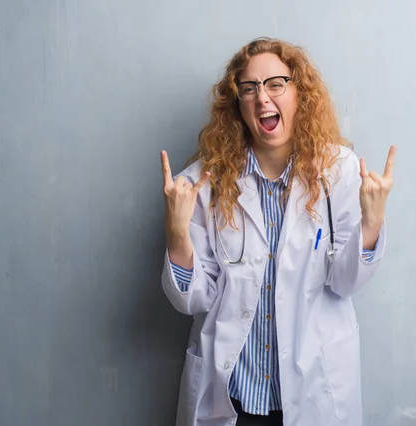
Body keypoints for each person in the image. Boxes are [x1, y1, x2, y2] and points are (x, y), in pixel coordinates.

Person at [160, 37, 395, 426]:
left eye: (275, 83)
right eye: (248, 88)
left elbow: (345, 282)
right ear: (236, 104)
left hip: (312, 391)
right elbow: (194, 300)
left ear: (298, 92)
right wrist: (176, 232)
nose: (262, 98)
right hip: (233, 395)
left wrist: (371, 224)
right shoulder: (203, 182)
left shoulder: (338, 172)